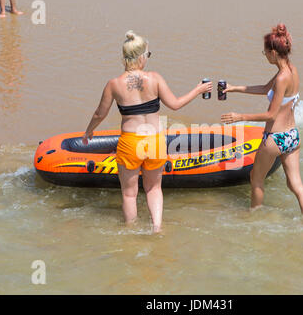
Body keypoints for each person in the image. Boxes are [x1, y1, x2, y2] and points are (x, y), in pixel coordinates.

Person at [82, 31, 212, 233]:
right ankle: (157, 228)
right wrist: (198, 90)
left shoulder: (114, 84)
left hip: (130, 143)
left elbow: (100, 113)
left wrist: (89, 131)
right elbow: (175, 104)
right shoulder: (155, 79)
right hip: (155, 141)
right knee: (153, 188)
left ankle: (131, 232)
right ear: (142, 56)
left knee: (129, 194)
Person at [221, 24, 303, 221]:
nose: (264, 55)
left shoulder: (281, 77)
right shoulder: (291, 69)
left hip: (275, 138)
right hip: (292, 136)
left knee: (256, 179)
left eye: (265, 51)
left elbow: (271, 115)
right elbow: (265, 88)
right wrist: (234, 88)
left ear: (273, 52)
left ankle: (254, 218)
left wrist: (240, 117)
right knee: (296, 184)